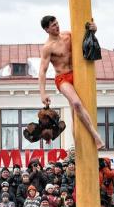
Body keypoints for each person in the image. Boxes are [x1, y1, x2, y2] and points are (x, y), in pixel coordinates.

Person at [39, 15, 105, 150]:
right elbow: (42, 71)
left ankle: (77, 148)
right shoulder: (48, 47)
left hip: (77, 74)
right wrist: (43, 93)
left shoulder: (68, 35)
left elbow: (86, 37)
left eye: (57, 23)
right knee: (76, 103)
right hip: (62, 78)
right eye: (53, 25)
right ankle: (96, 137)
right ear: (46, 29)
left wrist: (94, 29)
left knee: (75, 114)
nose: (57, 26)